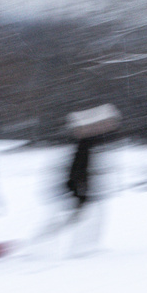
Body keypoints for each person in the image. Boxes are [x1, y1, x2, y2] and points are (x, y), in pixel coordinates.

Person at [33, 104, 120, 250]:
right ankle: (48, 246)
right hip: (76, 192)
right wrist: (80, 195)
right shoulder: (84, 147)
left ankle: (78, 246)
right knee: (80, 220)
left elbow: (80, 172)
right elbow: (78, 172)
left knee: (80, 219)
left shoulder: (86, 145)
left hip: (78, 191)